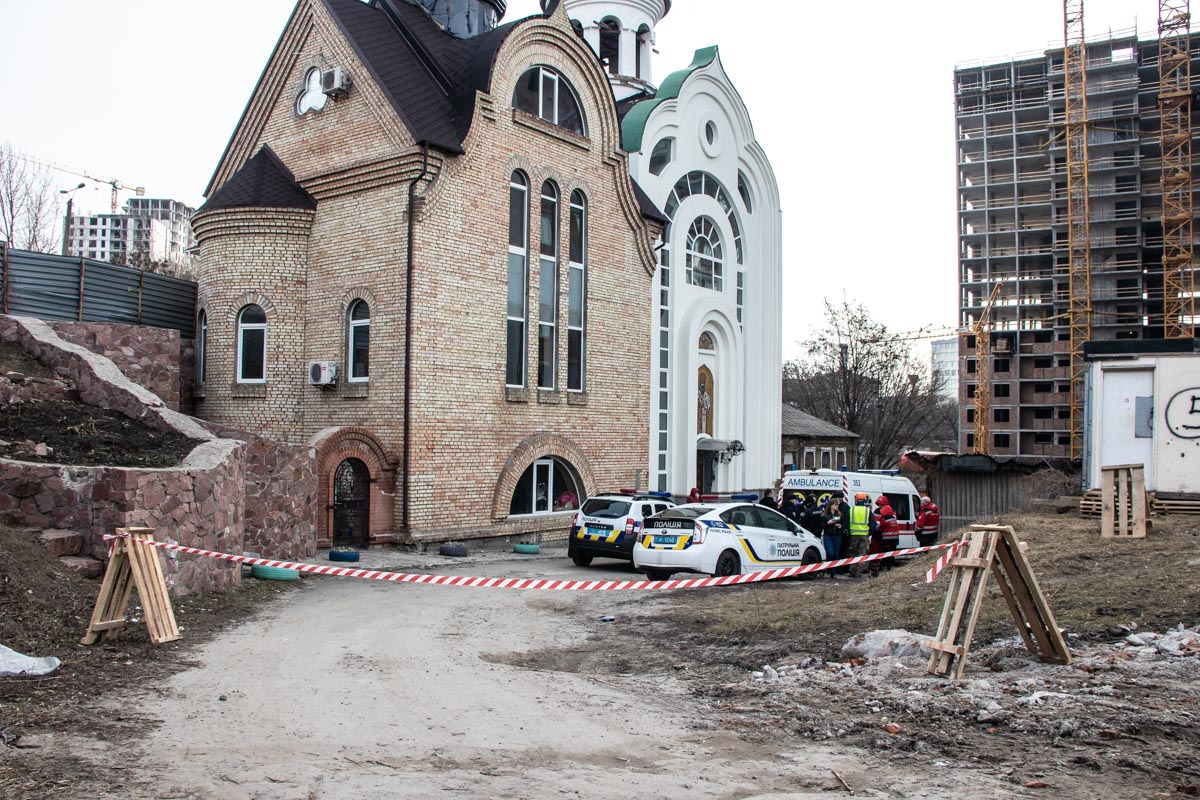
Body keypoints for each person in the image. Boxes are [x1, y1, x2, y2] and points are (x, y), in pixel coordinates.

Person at [847, 493, 877, 578]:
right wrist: (868, 533)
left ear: (856, 500)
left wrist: (849, 532)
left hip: (853, 535)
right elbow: (872, 524)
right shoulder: (868, 511)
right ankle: (859, 572)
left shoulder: (851, 510)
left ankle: (853, 571)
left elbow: (846, 522)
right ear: (864, 500)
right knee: (862, 554)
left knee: (853, 553)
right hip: (864, 535)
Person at [821, 498, 845, 570]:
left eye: (837, 505)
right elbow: (821, 525)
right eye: (835, 505)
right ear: (831, 506)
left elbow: (843, 524)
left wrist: (840, 526)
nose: (837, 506)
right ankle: (828, 567)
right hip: (828, 536)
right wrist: (828, 523)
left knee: (836, 554)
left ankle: (833, 571)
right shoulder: (825, 515)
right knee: (830, 552)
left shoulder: (840, 514)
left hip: (837, 535)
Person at [876, 501, 899, 571]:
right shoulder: (893, 518)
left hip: (887, 540)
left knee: (886, 554)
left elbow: (879, 528)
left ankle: (886, 566)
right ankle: (890, 566)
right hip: (895, 539)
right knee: (892, 554)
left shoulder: (885, 520)